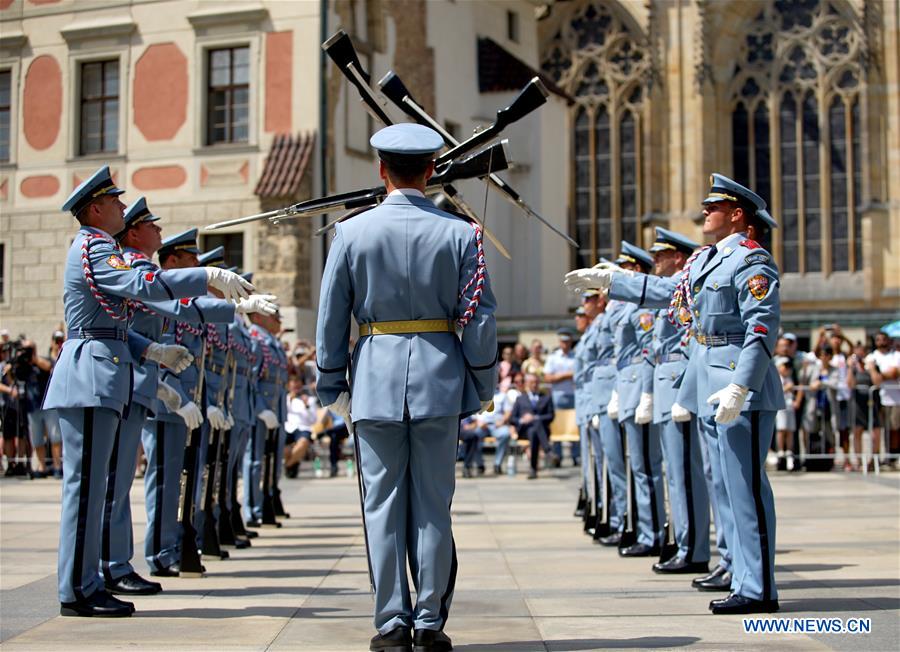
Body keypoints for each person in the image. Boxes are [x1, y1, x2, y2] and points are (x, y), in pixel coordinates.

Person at [315, 123, 497, 652]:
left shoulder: (350, 233)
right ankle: (429, 620)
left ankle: (391, 621)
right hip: (440, 378)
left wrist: (332, 383)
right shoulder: (463, 234)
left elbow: (333, 317)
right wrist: (480, 380)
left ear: (380, 170)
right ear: (431, 170)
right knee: (435, 504)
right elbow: (480, 319)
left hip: (373, 378)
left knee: (382, 504)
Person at [567, 173, 783, 614]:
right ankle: (741, 576)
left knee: (745, 488)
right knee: (722, 485)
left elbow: (761, 327)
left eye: (714, 207)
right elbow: (670, 292)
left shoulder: (752, 261)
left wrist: (742, 383)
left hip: (737, 384)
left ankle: (759, 588)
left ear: (738, 215)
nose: (705, 212)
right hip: (706, 382)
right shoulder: (707, 260)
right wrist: (612, 283)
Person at [45, 166, 253, 617]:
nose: (124, 206)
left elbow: (119, 320)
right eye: (116, 202)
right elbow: (141, 286)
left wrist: (154, 351)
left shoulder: (100, 247)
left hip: (105, 374)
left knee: (99, 487)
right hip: (89, 376)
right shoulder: (94, 247)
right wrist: (208, 277)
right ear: (95, 209)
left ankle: (90, 580)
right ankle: (77, 590)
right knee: (86, 490)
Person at [510, 373, 556, 479]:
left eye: (536, 382)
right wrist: (522, 419)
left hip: (541, 432)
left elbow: (551, 416)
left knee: (534, 430)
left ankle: (533, 470)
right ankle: (548, 451)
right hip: (524, 431)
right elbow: (513, 419)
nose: (534, 385)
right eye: (532, 382)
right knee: (533, 428)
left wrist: (535, 418)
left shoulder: (546, 398)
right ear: (526, 384)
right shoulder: (520, 399)